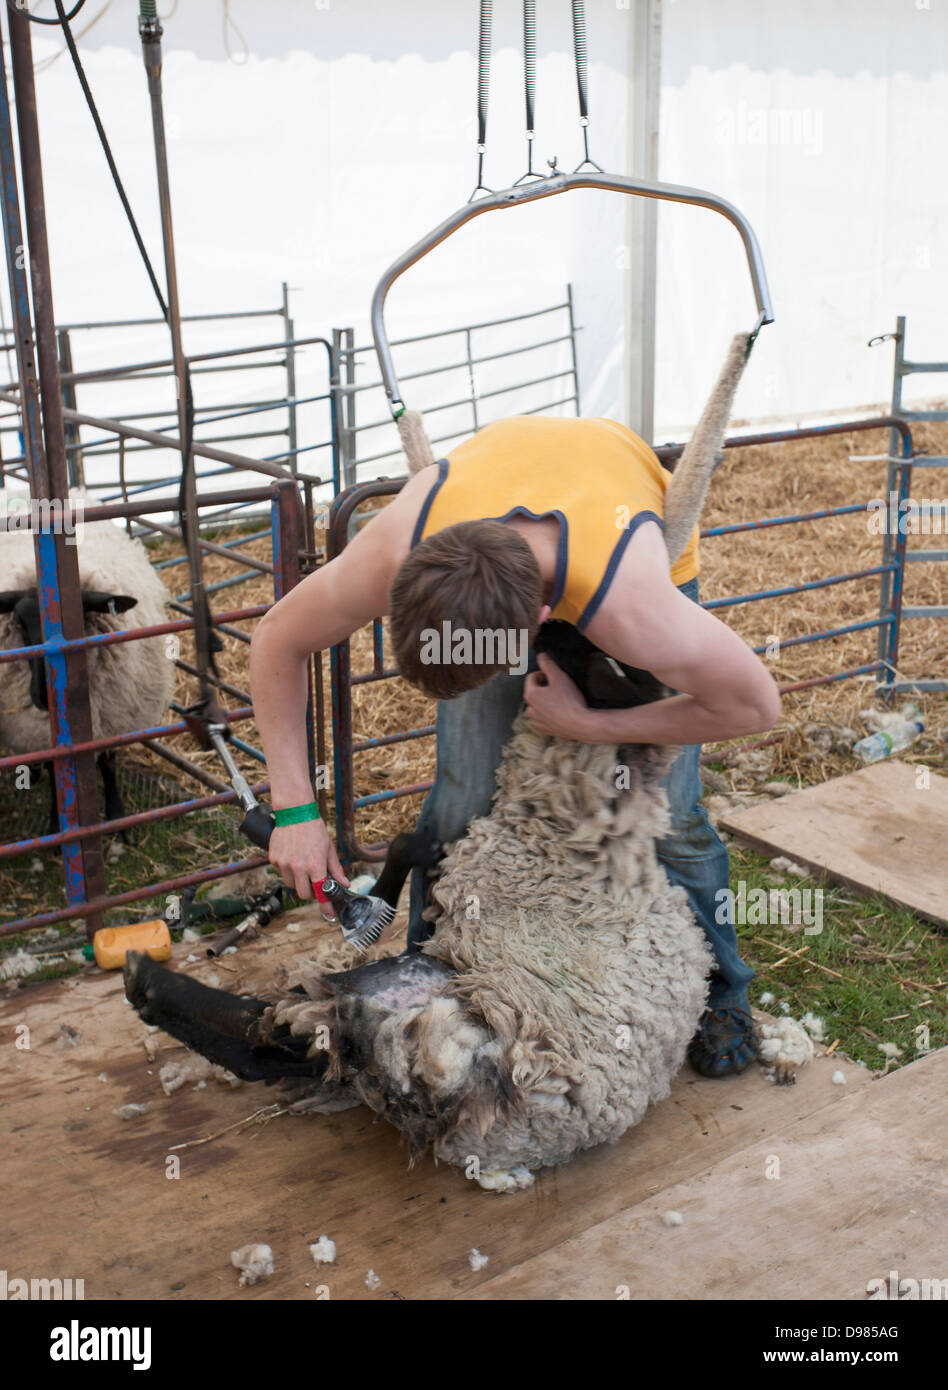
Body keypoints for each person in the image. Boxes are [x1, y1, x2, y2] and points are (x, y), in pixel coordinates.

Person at [249, 414, 782, 1077]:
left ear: (532, 625)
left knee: (670, 816)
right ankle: (432, 977)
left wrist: (592, 726)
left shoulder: (636, 607)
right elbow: (277, 637)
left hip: (612, 527)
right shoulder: (396, 547)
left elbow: (754, 706)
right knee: (461, 798)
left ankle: (725, 992)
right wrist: (296, 810)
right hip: (499, 531)